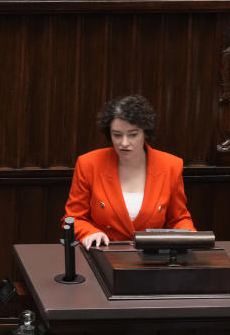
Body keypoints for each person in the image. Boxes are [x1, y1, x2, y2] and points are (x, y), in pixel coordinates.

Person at [63, 95, 195, 248]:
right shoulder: (89, 164)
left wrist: (189, 238)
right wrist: (89, 232)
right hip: (104, 253)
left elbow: (178, 219)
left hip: (151, 258)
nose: (124, 143)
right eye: (117, 135)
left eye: (133, 134)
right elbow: (73, 218)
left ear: (145, 133)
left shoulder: (170, 165)